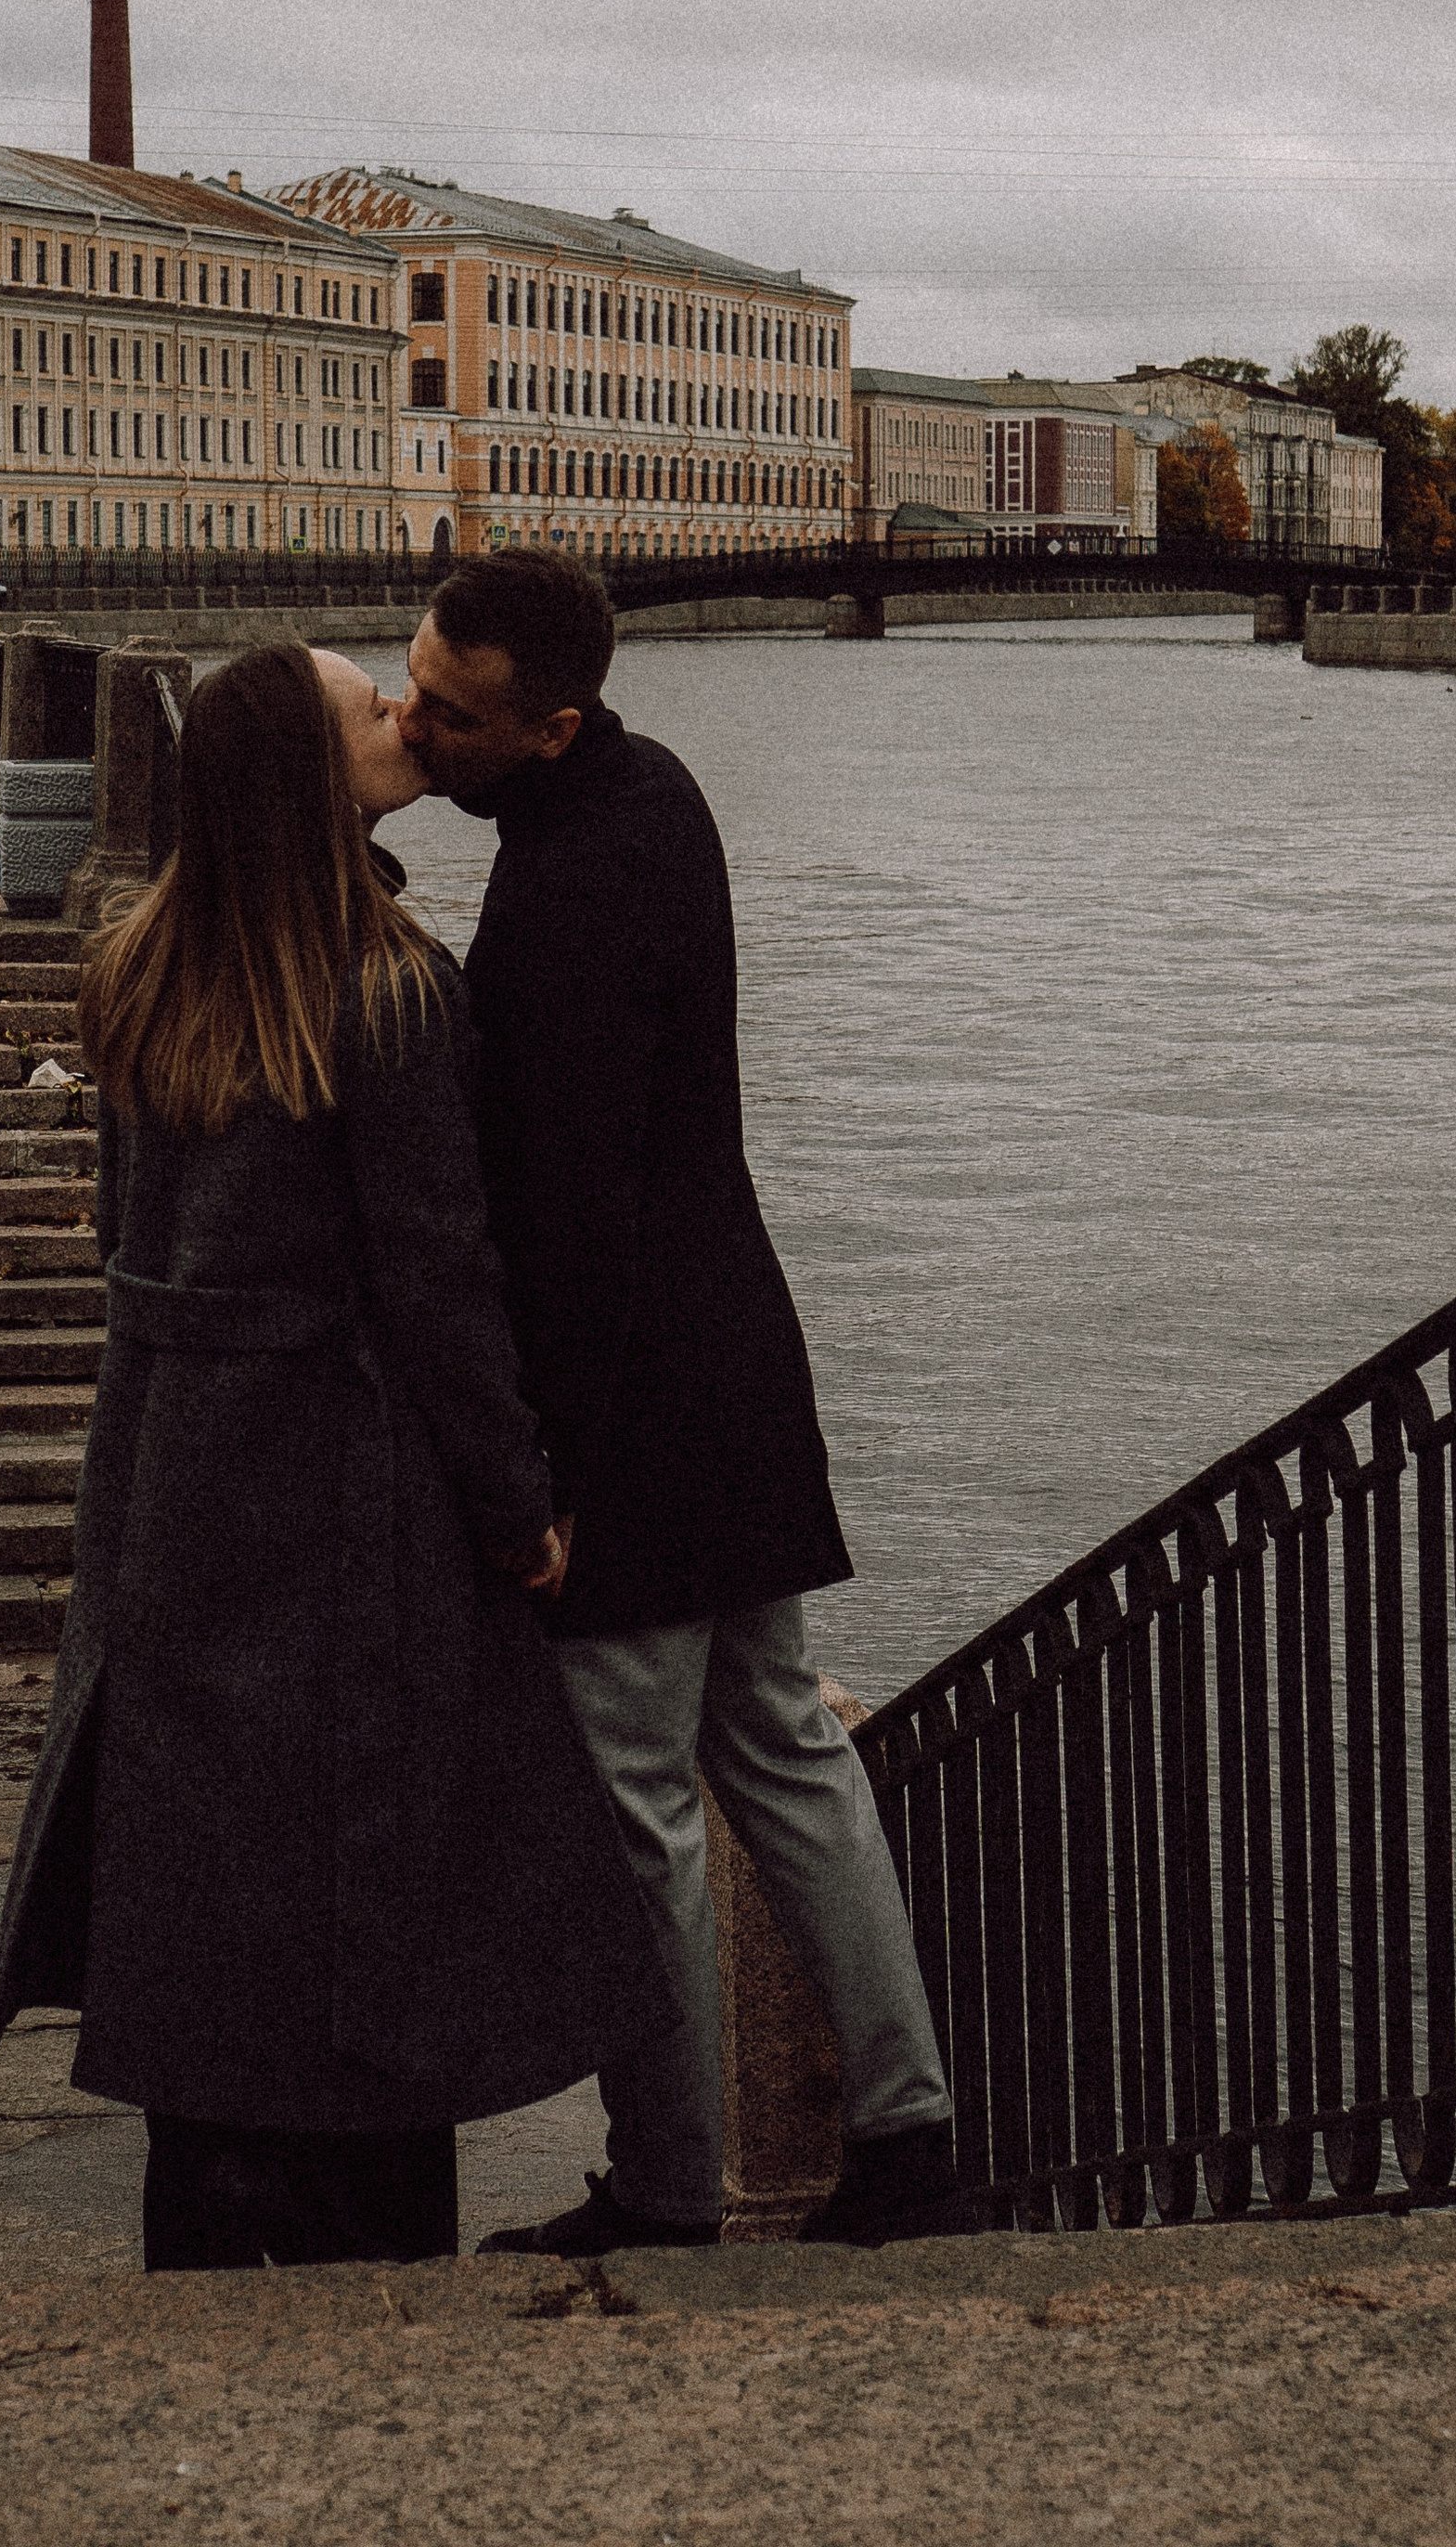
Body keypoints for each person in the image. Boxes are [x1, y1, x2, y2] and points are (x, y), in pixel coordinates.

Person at [0, 635, 669, 2270]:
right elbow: (443, 1287)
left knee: (200, 1858)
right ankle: (372, 2268)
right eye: (375, 706)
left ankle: (207, 2233)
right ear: (313, 772)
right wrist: (522, 1513)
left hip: (169, 1475)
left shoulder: (137, 962)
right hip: (351, 1498)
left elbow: (114, 1228)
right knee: (369, 1880)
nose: (402, 713)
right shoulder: (392, 990)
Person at [390, 549, 978, 2253]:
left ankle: (663, 2190)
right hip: (733, 1364)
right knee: (788, 1752)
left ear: (553, 726)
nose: (420, 725)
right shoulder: (653, 792)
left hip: (631, 1408)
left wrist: (542, 1481)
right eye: (414, 683)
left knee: (639, 1808)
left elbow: (563, 1223)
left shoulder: (563, 897)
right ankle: (911, 2136)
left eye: (454, 712)